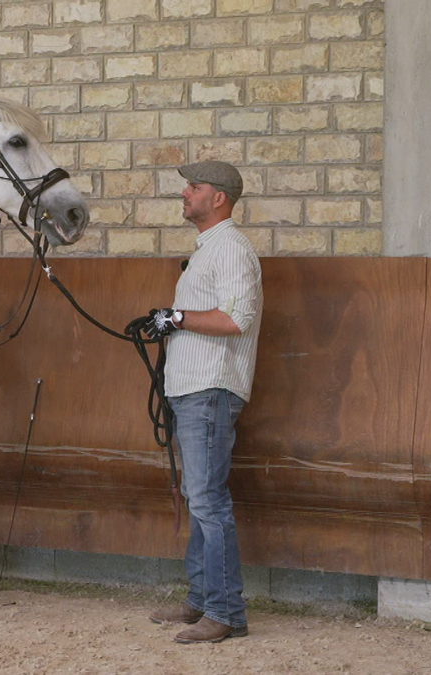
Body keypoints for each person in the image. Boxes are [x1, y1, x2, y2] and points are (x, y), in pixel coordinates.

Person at [142, 161, 263, 644]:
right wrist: (173, 320)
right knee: (200, 498)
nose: (185, 193)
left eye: (195, 187)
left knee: (209, 501)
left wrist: (176, 317)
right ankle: (201, 600)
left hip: (210, 390)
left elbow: (237, 320)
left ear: (220, 198)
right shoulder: (210, 249)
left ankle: (226, 611)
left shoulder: (231, 248)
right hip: (193, 389)